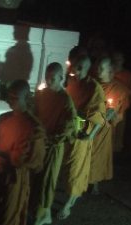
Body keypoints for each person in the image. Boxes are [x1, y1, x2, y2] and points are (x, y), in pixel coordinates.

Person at [0, 79, 46, 225]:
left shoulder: (34, 127)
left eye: (15, 97)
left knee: (8, 218)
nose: (10, 100)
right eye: (9, 96)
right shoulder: (3, 118)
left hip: (15, 179)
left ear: (26, 98)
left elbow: (32, 161)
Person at [57, 54, 106, 220]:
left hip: (82, 134)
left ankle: (68, 205)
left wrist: (90, 136)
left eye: (80, 68)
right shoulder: (70, 82)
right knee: (63, 167)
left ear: (87, 69)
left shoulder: (94, 88)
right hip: (67, 132)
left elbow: (99, 116)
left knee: (75, 171)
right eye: (74, 67)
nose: (75, 71)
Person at [31, 63, 77, 225]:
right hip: (39, 144)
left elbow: (70, 123)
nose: (49, 81)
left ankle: (43, 215)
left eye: (53, 78)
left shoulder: (65, 99)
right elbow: (33, 115)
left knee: (47, 181)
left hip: (53, 147)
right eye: (47, 76)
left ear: (60, 78)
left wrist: (53, 139)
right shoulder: (41, 95)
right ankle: (36, 212)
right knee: (35, 177)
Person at [89, 56, 131, 194]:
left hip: (104, 131)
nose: (98, 71)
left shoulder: (120, 90)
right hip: (90, 125)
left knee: (98, 157)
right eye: (98, 67)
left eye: (102, 68)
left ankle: (94, 182)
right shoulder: (92, 85)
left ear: (110, 71)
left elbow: (120, 115)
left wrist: (113, 115)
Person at [111, 52, 131, 152]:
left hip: (121, 107)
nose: (117, 62)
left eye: (119, 60)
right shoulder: (109, 73)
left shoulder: (128, 75)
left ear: (123, 61)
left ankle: (116, 148)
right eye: (115, 60)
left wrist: (124, 103)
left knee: (119, 129)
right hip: (107, 107)